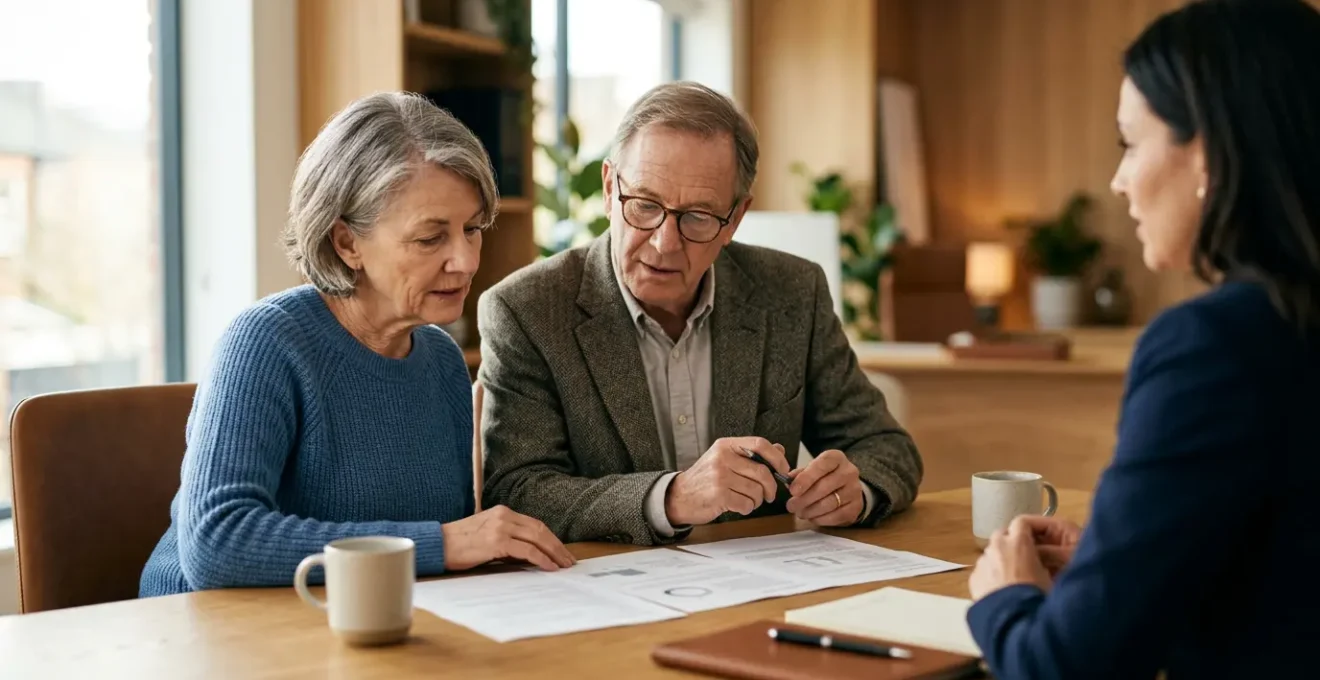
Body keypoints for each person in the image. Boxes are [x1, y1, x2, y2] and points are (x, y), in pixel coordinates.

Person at [965, 1, 1320, 677]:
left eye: (1130, 142)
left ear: (1211, 149)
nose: (1118, 180)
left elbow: (1066, 667)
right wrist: (1120, 556)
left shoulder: (1214, 347)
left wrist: (1005, 598)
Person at [139, 92, 573, 597]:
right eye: (431, 238)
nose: (466, 261)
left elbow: (444, 549)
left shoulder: (441, 359)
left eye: (472, 229)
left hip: (357, 626)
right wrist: (438, 545)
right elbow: (217, 543)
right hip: (213, 637)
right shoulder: (265, 342)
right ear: (347, 243)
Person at [476, 81, 922, 546]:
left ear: (736, 217)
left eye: (698, 217)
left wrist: (857, 490)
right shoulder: (526, 310)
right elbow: (518, 490)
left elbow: (887, 447)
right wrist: (671, 497)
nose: (665, 243)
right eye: (645, 206)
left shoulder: (791, 292)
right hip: (612, 591)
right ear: (610, 189)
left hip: (764, 584)